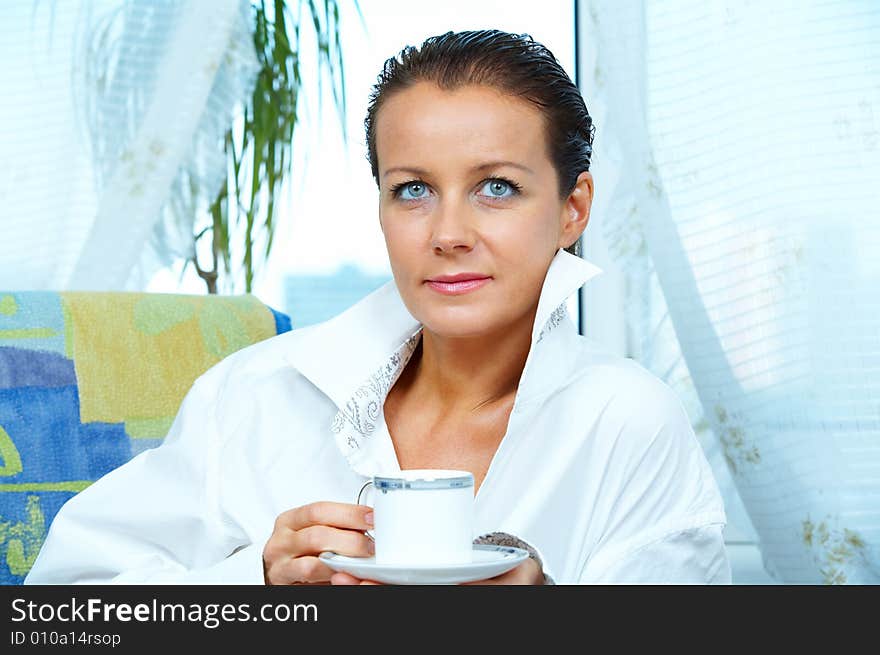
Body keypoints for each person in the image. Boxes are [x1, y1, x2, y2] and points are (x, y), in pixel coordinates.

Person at [25, 29, 730, 585]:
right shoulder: (251, 398)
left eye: (496, 187)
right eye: (414, 189)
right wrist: (257, 585)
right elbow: (60, 610)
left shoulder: (629, 424)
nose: (448, 234)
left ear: (572, 209)